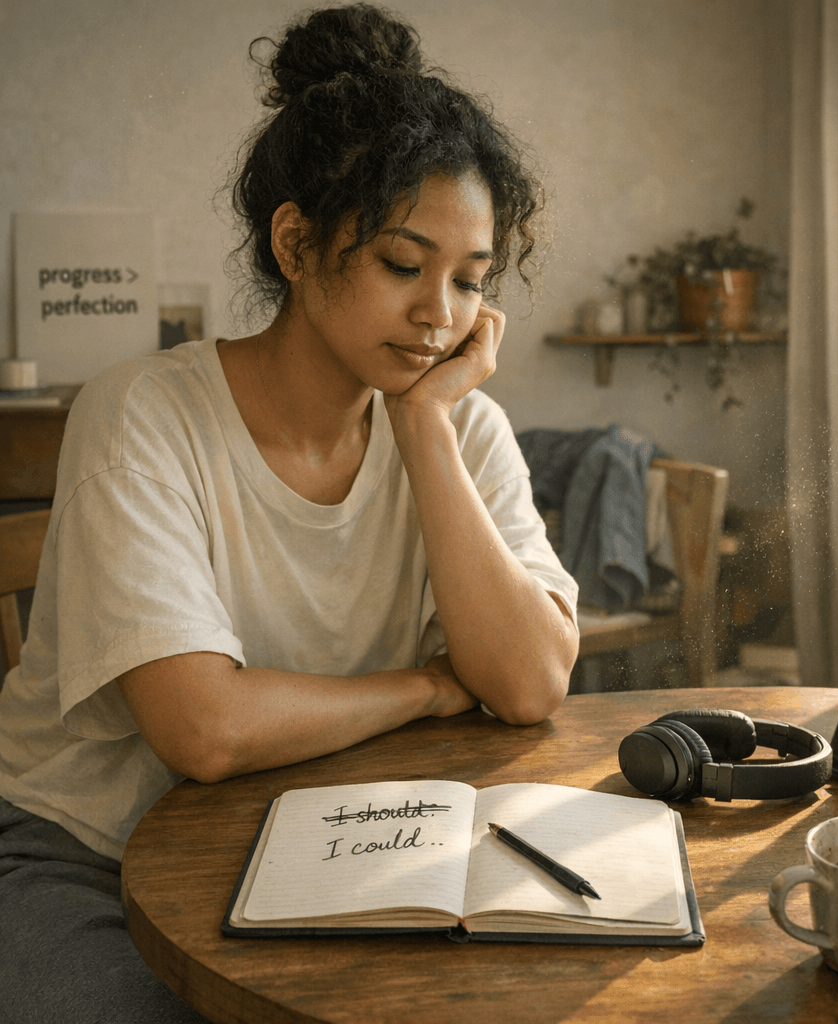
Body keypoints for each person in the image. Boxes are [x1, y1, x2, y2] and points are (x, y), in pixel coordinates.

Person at [0, 6, 579, 1021]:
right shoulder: (145, 413)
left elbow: (530, 681)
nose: (440, 314)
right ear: (298, 242)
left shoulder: (456, 426)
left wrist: (426, 431)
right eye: (405, 264)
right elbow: (206, 731)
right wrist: (427, 690)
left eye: (469, 282)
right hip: (87, 854)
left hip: (326, 842)